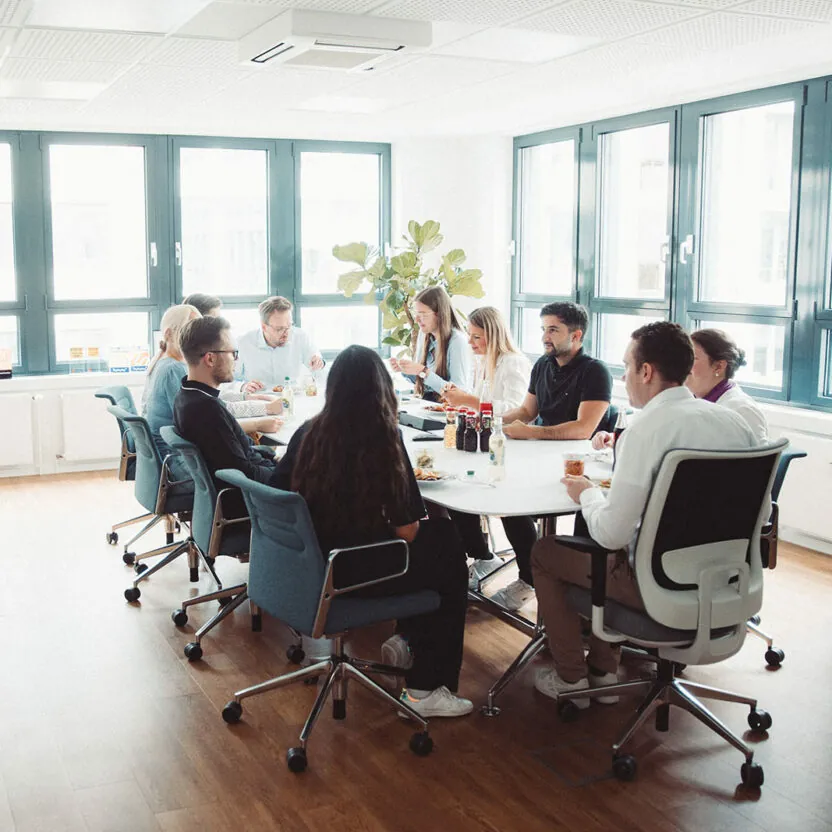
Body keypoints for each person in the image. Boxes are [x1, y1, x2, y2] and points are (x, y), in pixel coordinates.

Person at [531, 322, 757, 707]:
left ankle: (572, 681)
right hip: (728, 584)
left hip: (660, 586)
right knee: (615, 551)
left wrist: (586, 493)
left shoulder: (646, 429)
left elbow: (611, 534)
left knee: (547, 553)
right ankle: (603, 671)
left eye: (626, 367)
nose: (624, 377)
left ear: (647, 371)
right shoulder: (734, 423)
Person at [272, 345, 472, 718]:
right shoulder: (382, 438)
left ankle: (409, 642)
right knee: (444, 544)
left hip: (308, 563)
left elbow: (277, 493)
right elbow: (408, 530)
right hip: (353, 569)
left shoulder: (308, 432)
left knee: (436, 548)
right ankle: (425, 687)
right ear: (383, 388)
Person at [487, 302, 613, 611]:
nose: (546, 336)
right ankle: (531, 579)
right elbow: (527, 412)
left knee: (515, 503)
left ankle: (553, 588)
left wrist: (532, 433)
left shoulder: (595, 371)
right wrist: (490, 422)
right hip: (537, 455)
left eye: (553, 330)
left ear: (576, 334)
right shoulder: (542, 364)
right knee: (507, 500)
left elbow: (584, 428)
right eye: (543, 329)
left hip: (575, 464)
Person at [440, 307, 535, 589]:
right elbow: (483, 404)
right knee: (455, 488)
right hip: (487, 442)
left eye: (476, 337)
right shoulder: (486, 362)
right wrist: (464, 404)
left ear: (493, 335)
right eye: (470, 336)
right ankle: (480, 554)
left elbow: (516, 410)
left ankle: (522, 574)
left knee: (502, 503)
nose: (470, 344)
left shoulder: (513, 363)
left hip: (511, 446)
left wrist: (469, 401)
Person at [173, 316, 284, 518]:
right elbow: (243, 474)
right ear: (210, 358)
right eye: (233, 353)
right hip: (251, 504)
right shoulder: (206, 409)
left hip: (241, 491)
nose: (236, 359)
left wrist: (274, 457)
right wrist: (287, 470)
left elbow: (238, 456)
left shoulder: (187, 394)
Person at [391, 286, 471, 402]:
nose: (417, 319)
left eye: (423, 314)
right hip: (428, 405)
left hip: (448, 411)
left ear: (439, 314)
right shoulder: (424, 335)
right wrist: (406, 370)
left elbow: (459, 392)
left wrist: (423, 372)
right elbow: (426, 384)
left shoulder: (457, 341)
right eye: (416, 313)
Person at [688, 329, 768, 442]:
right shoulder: (695, 400)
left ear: (719, 367)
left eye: (693, 358)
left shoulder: (742, 411)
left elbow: (760, 459)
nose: (683, 364)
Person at [235, 296, 324, 394]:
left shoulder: (300, 337)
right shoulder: (243, 342)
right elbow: (229, 379)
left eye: (289, 326)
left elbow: (318, 366)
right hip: (257, 400)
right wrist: (242, 386)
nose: (286, 333)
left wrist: (318, 362)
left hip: (292, 397)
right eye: (279, 329)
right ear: (264, 327)